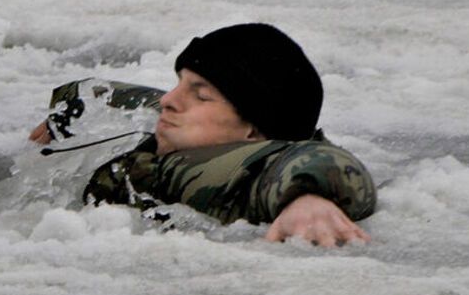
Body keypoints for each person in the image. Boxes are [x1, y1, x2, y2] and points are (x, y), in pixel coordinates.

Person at [29, 23, 376, 247]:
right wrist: (71, 105)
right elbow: (133, 98)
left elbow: (325, 163)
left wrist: (307, 198)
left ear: (253, 130)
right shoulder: (183, 132)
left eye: (201, 95)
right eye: (180, 83)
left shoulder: (241, 180)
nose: (170, 100)